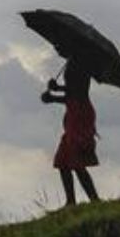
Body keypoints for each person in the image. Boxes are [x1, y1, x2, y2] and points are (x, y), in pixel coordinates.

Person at [41, 51, 100, 207]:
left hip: (80, 113)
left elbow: (78, 93)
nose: (58, 48)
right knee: (63, 160)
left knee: (76, 161)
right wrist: (57, 88)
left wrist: (54, 96)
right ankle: (71, 201)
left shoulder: (81, 63)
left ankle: (94, 200)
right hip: (74, 112)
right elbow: (72, 89)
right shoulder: (73, 60)